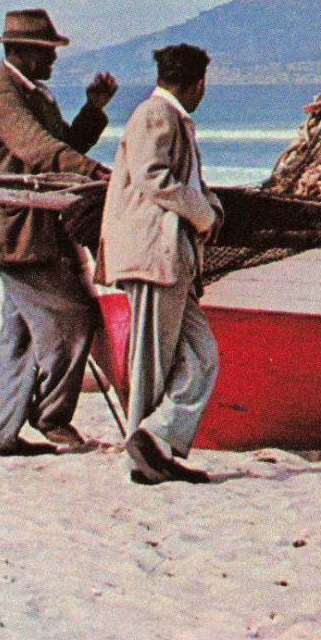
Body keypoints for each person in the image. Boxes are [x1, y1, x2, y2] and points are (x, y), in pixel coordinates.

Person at [0, 8, 118, 456]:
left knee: (18, 337)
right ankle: (52, 418)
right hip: (16, 236)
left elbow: (62, 148)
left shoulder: (36, 94)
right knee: (73, 318)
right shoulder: (1, 93)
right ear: (19, 52)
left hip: (33, 232)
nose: (53, 62)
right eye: (45, 53)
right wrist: (98, 171)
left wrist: (92, 112)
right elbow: (38, 150)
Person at [98, 44, 223, 485]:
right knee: (153, 363)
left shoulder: (165, 117)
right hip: (154, 254)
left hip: (167, 258)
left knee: (201, 356)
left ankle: (155, 439)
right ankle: (146, 456)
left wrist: (206, 205)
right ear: (198, 84)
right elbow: (155, 178)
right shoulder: (156, 115)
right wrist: (204, 213)